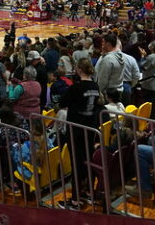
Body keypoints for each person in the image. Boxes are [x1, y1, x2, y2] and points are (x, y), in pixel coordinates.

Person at [57, 58, 104, 210]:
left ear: (79, 70)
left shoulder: (76, 88)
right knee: (87, 161)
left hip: (76, 129)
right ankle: (88, 192)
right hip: (89, 129)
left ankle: (76, 200)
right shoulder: (95, 86)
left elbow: (62, 103)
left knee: (76, 164)